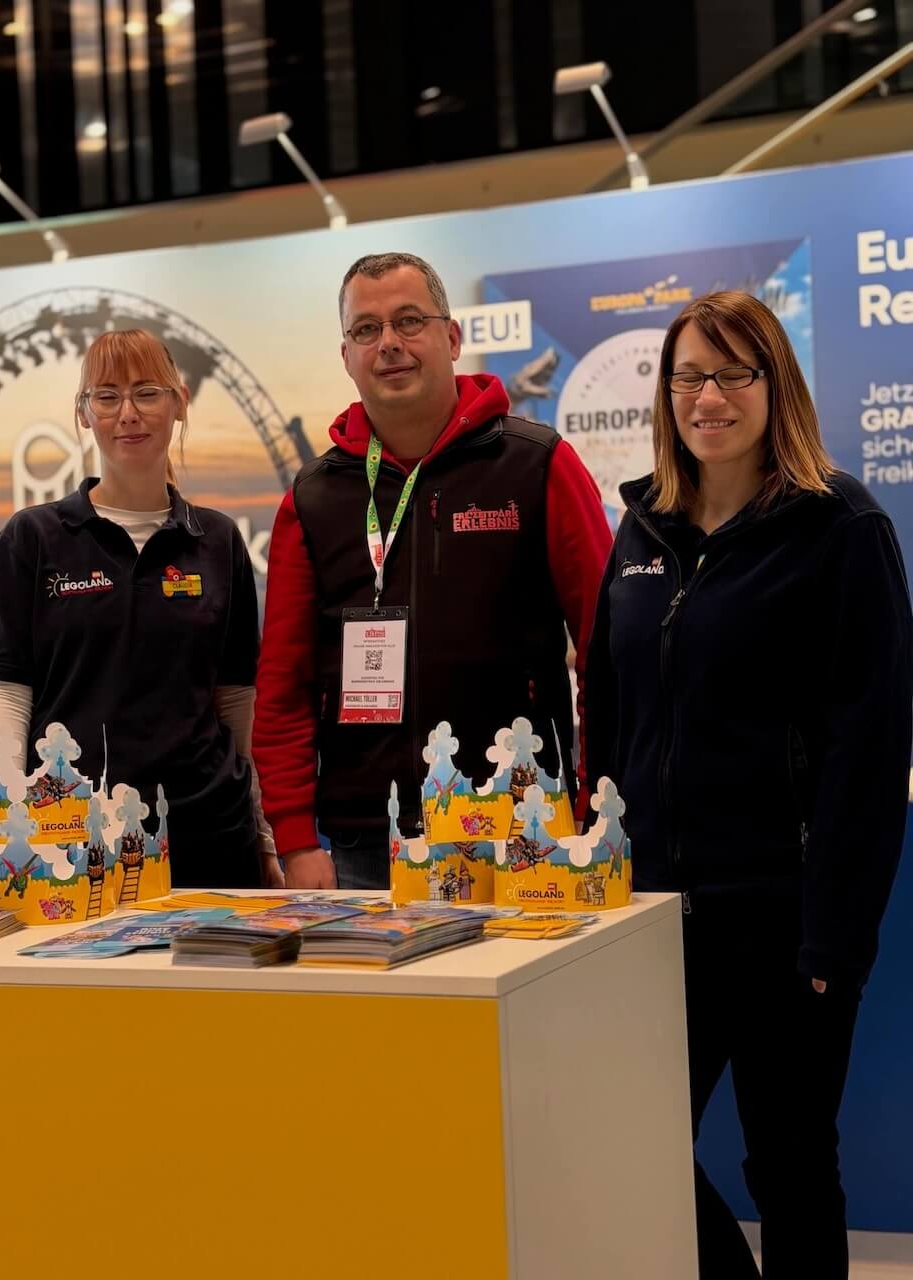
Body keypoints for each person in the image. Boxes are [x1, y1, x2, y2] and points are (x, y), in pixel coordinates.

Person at [584, 291, 912, 1279]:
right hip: (654, 917)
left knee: (791, 1166)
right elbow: (610, 715)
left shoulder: (840, 526)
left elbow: (869, 751)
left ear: (776, 385)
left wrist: (835, 937)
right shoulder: (642, 529)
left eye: (734, 373)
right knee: (626, 1135)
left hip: (783, 916)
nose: (709, 397)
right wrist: (602, 881)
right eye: (688, 375)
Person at [254, 251, 612, 890]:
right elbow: (285, 686)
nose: (389, 343)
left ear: (451, 338)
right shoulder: (312, 499)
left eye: (409, 321)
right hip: (366, 846)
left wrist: (593, 801)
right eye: (367, 329)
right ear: (347, 356)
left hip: (523, 830)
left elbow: (605, 652)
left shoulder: (538, 465)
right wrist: (296, 837)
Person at [0, 329, 280, 889]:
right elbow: (6, 700)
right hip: (71, 843)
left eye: (147, 392)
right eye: (107, 396)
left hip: (210, 837)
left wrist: (263, 835)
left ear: (180, 403)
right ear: (83, 413)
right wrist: (3, 839)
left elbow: (236, 705)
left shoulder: (217, 540)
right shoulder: (32, 538)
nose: (128, 413)